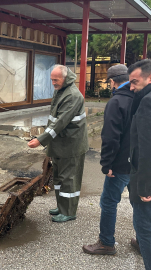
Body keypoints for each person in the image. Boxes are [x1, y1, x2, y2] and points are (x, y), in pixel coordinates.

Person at [82, 64, 133, 255]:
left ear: (112, 82)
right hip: (139, 163)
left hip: (120, 165)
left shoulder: (117, 102)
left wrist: (107, 164)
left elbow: (111, 138)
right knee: (139, 203)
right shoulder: (142, 98)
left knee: (109, 202)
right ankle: (144, 239)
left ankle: (106, 242)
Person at [28, 65, 88, 223]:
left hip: (71, 144)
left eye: (56, 79)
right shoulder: (61, 90)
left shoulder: (72, 96)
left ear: (65, 78)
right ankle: (61, 206)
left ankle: (69, 211)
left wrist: (41, 140)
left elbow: (60, 122)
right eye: (52, 80)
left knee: (69, 179)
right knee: (59, 177)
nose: (53, 82)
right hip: (61, 143)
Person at [126, 59, 151, 269]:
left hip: (146, 184)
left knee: (145, 229)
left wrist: (144, 186)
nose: (131, 87)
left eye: (135, 82)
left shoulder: (147, 102)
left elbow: (146, 148)